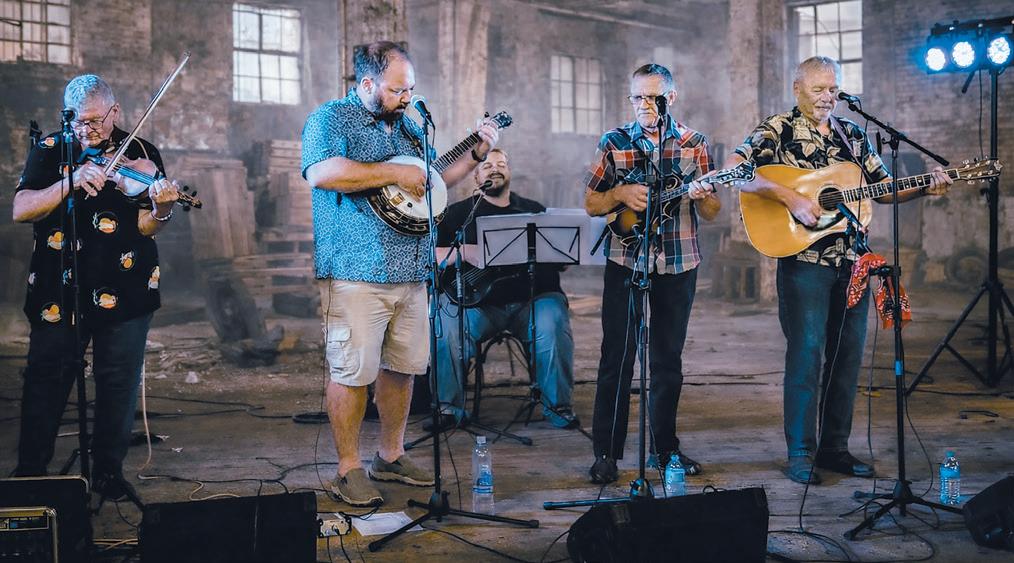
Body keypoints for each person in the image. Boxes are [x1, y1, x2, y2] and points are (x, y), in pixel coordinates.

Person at [728, 56, 952, 484]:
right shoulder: (778, 129)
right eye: (818, 89)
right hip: (804, 263)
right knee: (807, 353)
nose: (827, 97)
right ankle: (801, 452)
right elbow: (737, 172)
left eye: (833, 89)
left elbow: (882, 190)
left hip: (853, 263)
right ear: (797, 88)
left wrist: (926, 186)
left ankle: (834, 448)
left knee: (847, 357)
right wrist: (791, 197)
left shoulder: (853, 134)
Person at [301, 41, 499, 507]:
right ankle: (348, 468)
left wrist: (476, 153)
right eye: (397, 90)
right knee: (352, 372)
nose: (407, 98)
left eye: (410, 89)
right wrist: (392, 172)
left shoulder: (409, 125)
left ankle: (390, 455)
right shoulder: (331, 119)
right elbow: (321, 173)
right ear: (367, 83)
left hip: (412, 270)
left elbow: (430, 181)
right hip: (356, 270)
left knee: (403, 369)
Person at [12, 75, 181, 502]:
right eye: (77, 122)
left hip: (126, 287)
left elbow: (146, 226)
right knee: (46, 378)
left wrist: (161, 210)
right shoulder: (51, 149)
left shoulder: (142, 153)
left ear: (115, 112)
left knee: (118, 382)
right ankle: (30, 472)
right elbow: (21, 209)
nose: (86, 131)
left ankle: (108, 471)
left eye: (94, 121)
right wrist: (69, 181)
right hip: (58, 289)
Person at [583, 64, 721, 484]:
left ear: (670, 98)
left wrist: (703, 195)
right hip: (626, 261)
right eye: (637, 97)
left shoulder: (695, 144)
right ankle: (606, 453)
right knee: (616, 357)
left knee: (666, 361)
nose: (643, 104)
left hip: (678, 262)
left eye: (652, 97)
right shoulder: (613, 141)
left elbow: (712, 212)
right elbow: (592, 203)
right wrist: (620, 193)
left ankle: (665, 450)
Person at [432, 148, 578, 430]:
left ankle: (558, 407)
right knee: (447, 321)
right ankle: (448, 409)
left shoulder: (534, 210)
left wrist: (563, 255)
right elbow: (431, 256)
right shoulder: (457, 214)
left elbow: (560, 258)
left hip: (532, 300)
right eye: (487, 165)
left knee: (552, 321)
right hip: (478, 305)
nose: (495, 169)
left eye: (501, 164)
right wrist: (464, 252)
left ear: (510, 172)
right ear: (475, 176)